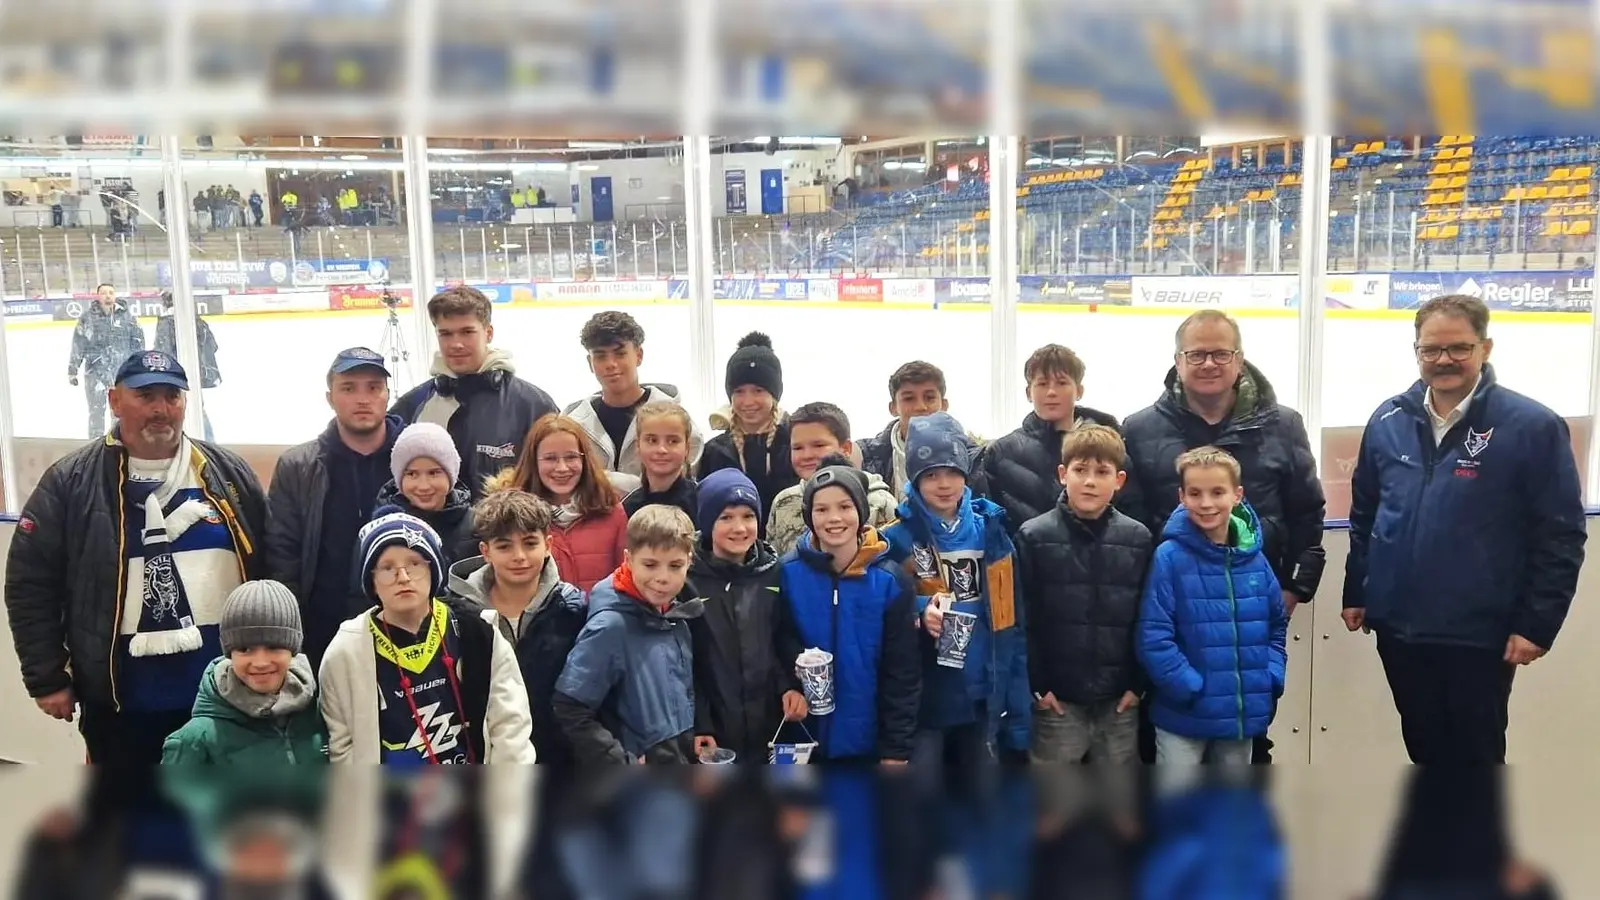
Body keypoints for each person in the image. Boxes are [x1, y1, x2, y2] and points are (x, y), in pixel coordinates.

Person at [1342, 293, 1586, 765]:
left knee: (1476, 756)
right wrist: (1358, 590)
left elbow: (1560, 536)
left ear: (1485, 348)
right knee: (1424, 750)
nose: (1444, 360)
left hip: (1479, 632)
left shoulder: (1531, 426)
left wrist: (1536, 624)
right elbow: (1366, 515)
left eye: (1458, 348)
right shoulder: (1389, 419)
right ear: (1416, 351)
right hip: (1399, 626)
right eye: (1431, 350)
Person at [5, 349, 268, 765]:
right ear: (114, 400)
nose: (161, 409)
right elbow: (30, 585)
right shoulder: (70, 482)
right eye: (146, 396)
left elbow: (269, 574)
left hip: (227, 698)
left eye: (172, 396)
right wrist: (47, 677)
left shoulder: (227, 472)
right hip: (123, 706)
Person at [1121, 309, 1323, 764]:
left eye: (1220, 353)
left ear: (1239, 359)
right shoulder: (1139, 429)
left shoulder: (1283, 425)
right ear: (1177, 360)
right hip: (1178, 620)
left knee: (1245, 754)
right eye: (1196, 354)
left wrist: (1293, 588)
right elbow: (1130, 525)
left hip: (1248, 616)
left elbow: (1307, 513)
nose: (1209, 364)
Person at [318, 511, 535, 764]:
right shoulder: (346, 651)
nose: (403, 577)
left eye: (415, 564)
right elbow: (342, 747)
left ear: (434, 572)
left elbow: (510, 726)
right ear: (372, 581)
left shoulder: (476, 630)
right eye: (387, 568)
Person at [879, 412, 1031, 765]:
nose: (943, 483)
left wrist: (1018, 711)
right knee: (924, 799)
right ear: (915, 480)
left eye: (952, 472)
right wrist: (918, 610)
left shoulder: (993, 534)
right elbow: (879, 608)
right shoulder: (895, 538)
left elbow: (1014, 624)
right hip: (926, 698)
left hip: (983, 692)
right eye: (931, 474)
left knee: (976, 799)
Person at [1137, 447, 1286, 765]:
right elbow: (1153, 635)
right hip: (1185, 716)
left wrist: (1271, 674)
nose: (1206, 503)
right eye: (1195, 493)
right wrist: (1189, 686)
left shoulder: (1255, 560)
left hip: (1240, 718)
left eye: (1217, 492)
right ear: (1182, 497)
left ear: (1237, 495)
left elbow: (1276, 624)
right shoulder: (1169, 557)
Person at [1015, 425, 1152, 764]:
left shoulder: (1138, 538)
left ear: (1118, 481)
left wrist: (1137, 684)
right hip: (1058, 702)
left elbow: (1148, 616)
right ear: (1063, 474)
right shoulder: (1033, 536)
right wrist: (1040, 685)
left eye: (1102, 472)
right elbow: (1022, 616)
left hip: (1119, 702)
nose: (1090, 481)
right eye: (1080, 470)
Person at [266, 348, 402, 670]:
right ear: (330, 398)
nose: (362, 399)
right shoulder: (297, 466)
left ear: (387, 395)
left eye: (373, 387)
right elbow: (282, 557)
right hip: (323, 634)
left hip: (404, 626)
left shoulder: (414, 460)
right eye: (348, 388)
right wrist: (290, 636)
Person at [781, 464, 921, 763]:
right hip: (804, 741)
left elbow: (903, 673)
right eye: (821, 509)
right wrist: (789, 685)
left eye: (845, 506)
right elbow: (778, 643)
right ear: (809, 516)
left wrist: (896, 749)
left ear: (860, 511)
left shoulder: (890, 582)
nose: (834, 518)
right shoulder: (787, 574)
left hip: (867, 743)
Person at [553, 505, 705, 763]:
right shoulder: (610, 627)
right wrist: (618, 761)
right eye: (650, 564)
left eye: (675, 566)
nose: (663, 578)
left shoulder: (673, 614)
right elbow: (569, 706)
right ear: (627, 558)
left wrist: (697, 730)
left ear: (689, 562)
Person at [447, 491, 586, 764]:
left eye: (530, 543)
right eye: (504, 546)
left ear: (548, 545)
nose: (519, 556)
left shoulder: (574, 610)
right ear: (485, 552)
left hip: (558, 757)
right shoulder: (457, 616)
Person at [389, 285, 560, 498]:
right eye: (446, 334)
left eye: (467, 332)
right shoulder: (413, 405)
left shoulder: (533, 405)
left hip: (504, 530)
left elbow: (557, 482)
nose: (456, 344)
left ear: (488, 333)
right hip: (432, 531)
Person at [687, 469, 808, 761]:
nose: (739, 527)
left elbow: (782, 638)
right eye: (725, 517)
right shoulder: (688, 579)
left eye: (748, 516)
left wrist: (790, 687)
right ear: (706, 521)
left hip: (767, 724)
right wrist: (699, 722)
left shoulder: (774, 573)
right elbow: (684, 661)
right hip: (713, 728)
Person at [160, 580, 326, 764]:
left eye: (274, 647)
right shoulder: (194, 742)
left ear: (293, 649)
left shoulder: (323, 716)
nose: (261, 662)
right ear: (229, 653)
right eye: (245, 649)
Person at [978, 344, 1128, 535]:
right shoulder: (1001, 453)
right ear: (1028, 393)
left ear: (1079, 390)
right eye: (1042, 384)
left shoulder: (1109, 446)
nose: (1051, 392)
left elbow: (1130, 513)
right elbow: (993, 524)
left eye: (1061, 383)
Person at [487, 415, 628, 594]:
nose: (562, 468)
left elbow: (626, 579)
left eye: (571, 457)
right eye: (550, 458)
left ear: (584, 460)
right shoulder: (509, 515)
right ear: (533, 461)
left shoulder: (610, 510)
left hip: (599, 618)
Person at [563, 310, 704, 488]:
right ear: (590, 362)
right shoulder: (573, 426)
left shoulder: (679, 424)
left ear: (639, 355)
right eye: (600, 356)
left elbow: (686, 487)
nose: (611, 364)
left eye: (620, 354)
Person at [767, 402, 899, 555]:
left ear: (846, 449)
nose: (807, 455)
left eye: (818, 445)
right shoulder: (783, 502)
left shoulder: (880, 502)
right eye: (797, 448)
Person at [696, 331, 798, 521]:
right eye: (739, 392)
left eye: (758, 390)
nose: (748, 401)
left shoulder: (793, 443)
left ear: (774, 394)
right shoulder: (716, 450)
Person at [857, 360, 988, 500]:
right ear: (893, 408)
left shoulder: (973, 459)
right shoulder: (866, 457)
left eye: (929, 398)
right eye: (909, 399)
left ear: (944, 405)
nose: (920, 407)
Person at [374, 422, 478, 565]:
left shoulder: (476, 526)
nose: (423, 486)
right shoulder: (381, 528)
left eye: (434, 473)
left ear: (451, 475)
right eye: (411, 474)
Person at [67, 283, 146, 438]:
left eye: (111, 292)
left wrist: (139, 368)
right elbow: (78, 344)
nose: (108, 296)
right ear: (98, 296)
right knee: (96, 412)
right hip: (95, 373)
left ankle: (117, 444)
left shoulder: (128, 318)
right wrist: (73, 370)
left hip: (121, 374)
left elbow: (138, 343)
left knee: (119, 412)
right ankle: (94, 446)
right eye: (104, 293)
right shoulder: (87, 318)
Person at [154, 290, 221, 442]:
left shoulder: (166, 323)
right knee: (196, 408)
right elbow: (213, 346)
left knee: (176, 409)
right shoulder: (197, 321)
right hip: (194, 374)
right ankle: (209, 443)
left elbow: (162, 353)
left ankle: (186, 443)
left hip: (174, 376)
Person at [620, 401, 700, 520]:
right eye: (652, 440)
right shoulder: (627, 508)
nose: (661, 449)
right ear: (638, 446)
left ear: (687, 448)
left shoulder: (702, 501)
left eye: (673, 441)